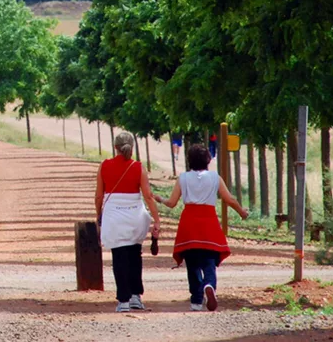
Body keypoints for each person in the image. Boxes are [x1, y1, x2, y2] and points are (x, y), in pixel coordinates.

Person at [154, 144, 248, 312]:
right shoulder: (215, 177)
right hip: (209, 222)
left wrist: (160, 199)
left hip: (189, 223)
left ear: (189, 160)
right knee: (209, 262)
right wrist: (242, 212)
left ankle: (196, 300)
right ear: (208, 160)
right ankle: (209, 284)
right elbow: (229, 199)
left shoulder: (183, 178)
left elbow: (172, 203)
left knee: (192, 264)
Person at [95, 132, 161, 313]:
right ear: (132, 147)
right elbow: (147, 196)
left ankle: (123, 300)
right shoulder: (138, 167)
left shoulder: (104, 166)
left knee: (119, 257)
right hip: (134, 217)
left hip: (114, 217)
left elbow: (99, 195)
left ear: (115, 147)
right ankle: (135, 297)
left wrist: (98, 215)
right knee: (134, 256)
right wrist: (156, 219)